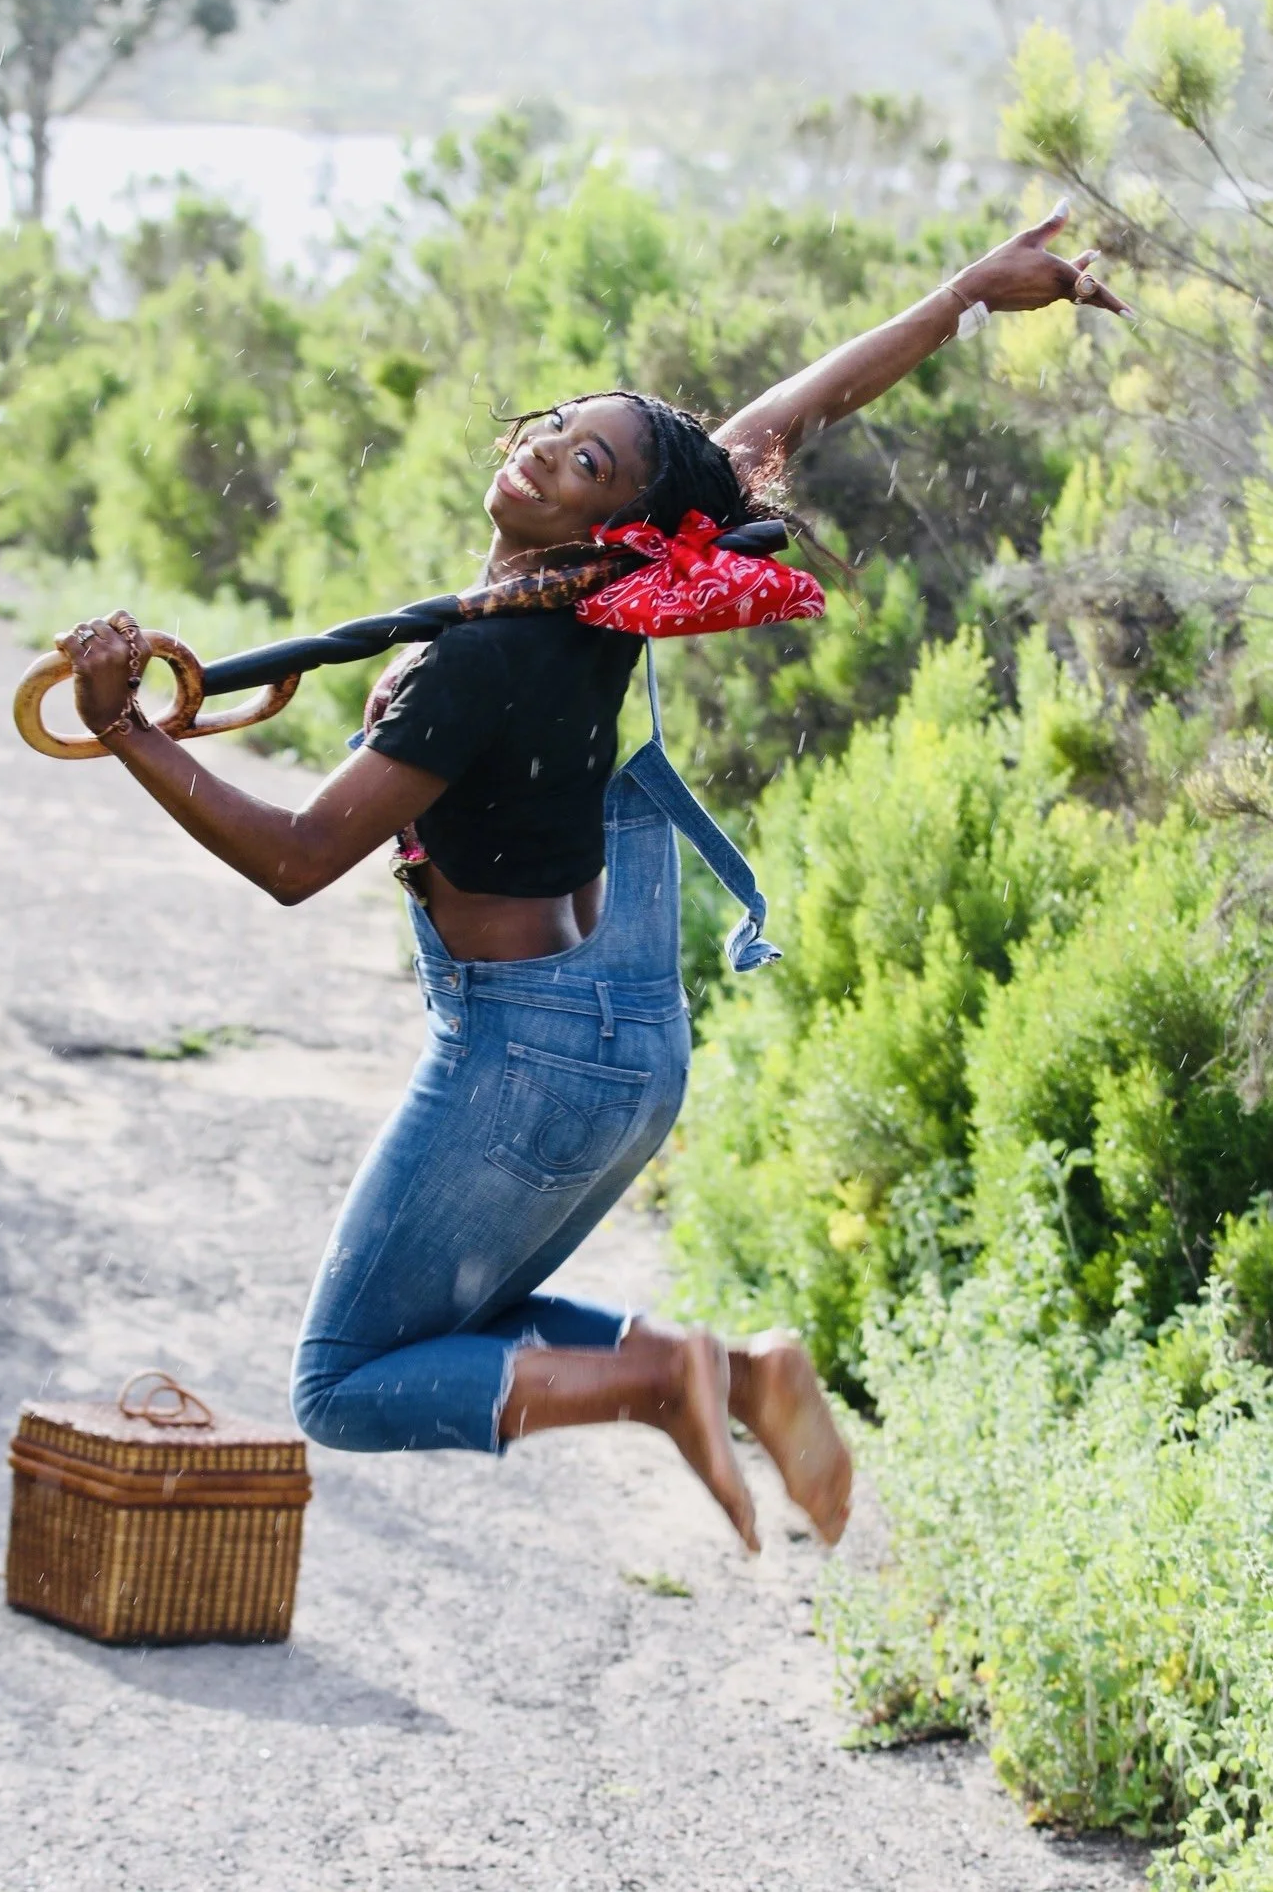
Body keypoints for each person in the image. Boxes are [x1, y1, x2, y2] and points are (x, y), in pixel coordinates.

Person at [56, 206, 1130, 1553]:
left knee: (340, 1382)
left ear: (620, 516)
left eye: (583, 462)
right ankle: (732, 1377)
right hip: (628, 1037)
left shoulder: (480, 664)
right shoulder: (614, 582)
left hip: (527, 1053)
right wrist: (962, 293)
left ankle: (662, 1380)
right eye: (557, 428)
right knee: (452, 1324)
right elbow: (798, 407)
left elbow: (294, 858)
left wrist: (122, 729)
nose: (543, 456)